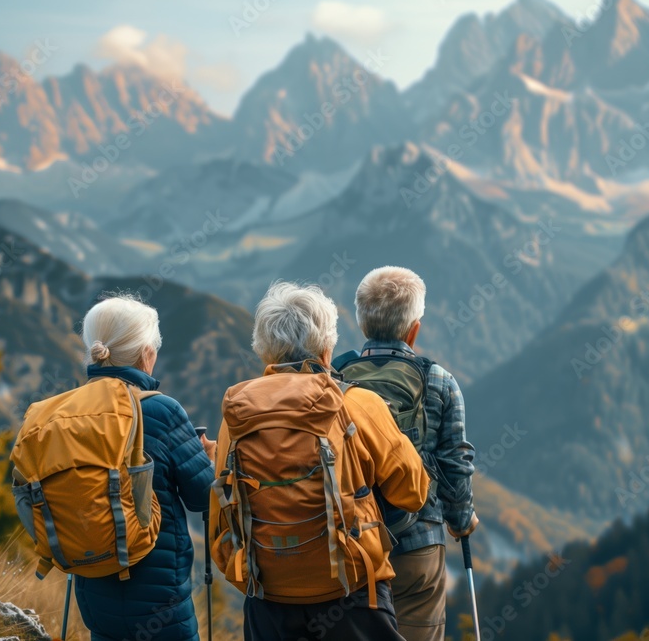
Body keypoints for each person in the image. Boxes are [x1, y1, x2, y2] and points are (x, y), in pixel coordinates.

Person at [210, 281, 429, 641]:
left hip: (267, 595)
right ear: (327, 347)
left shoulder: (237, 416)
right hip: (351, 593)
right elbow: (413, 492)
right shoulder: (357, 403)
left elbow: (222, 513)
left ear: (264, 349)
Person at [344, 266, 478, 641]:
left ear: (361, 322)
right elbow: (455, 462)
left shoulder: (333, 377)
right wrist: (461, 518)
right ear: (414, 329)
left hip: (351, 543)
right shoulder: (439, 380)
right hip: (418, 541)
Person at [73, 294, 217, 641]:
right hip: (161, 604)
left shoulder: (71, 413)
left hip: (93, 594)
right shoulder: (161, 411)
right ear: (146, 354)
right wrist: (208, 459)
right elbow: (203, 497)